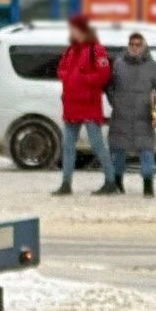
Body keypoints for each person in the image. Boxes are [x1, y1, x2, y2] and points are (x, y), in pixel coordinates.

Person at [104, 30, 156, 196]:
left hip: (143, 116)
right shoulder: (118, 63)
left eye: (138, 44)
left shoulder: (153, 67)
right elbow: (109, 85)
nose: (134, 47)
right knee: (118, 151)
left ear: (144, 46)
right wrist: (114, 100)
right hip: (121, 116)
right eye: (131, 44)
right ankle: (117, 182)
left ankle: (148, 185)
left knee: (146, 151)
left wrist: (155, 99)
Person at [55, 17, 112, 195]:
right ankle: (66, 183)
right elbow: (61, 69)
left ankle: (110, 180)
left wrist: (83, 79)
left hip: (88, 103)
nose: (72, 33)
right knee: (68, 145)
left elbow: (104, 74)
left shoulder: (96, 50)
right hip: (71, 103)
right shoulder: (70, 50)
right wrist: (67, 76)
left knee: (97, 144)